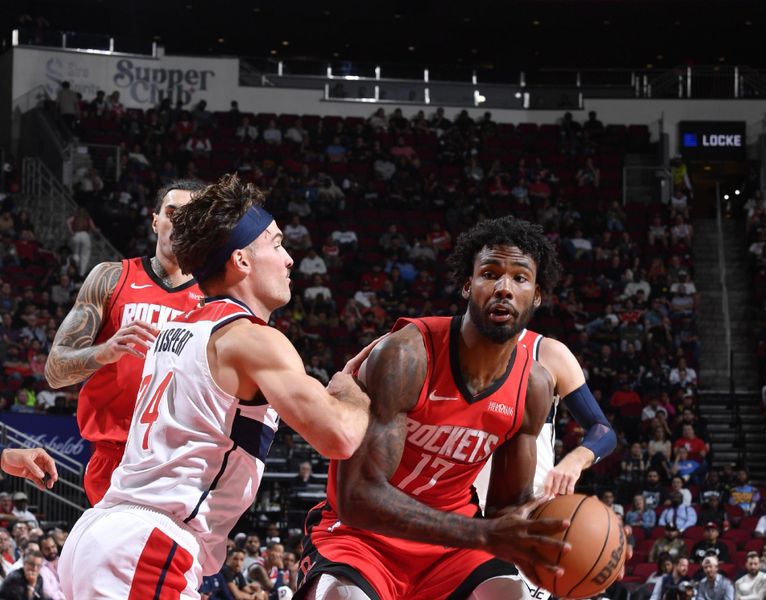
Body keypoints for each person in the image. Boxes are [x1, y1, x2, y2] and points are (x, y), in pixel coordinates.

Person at [58, 174, 372, 599]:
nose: (289, 259)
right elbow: (341, 435)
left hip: (107, 534)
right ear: (242, 260)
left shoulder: (180, 327)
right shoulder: (250, 339)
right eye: (277, 244)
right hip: (147, 544)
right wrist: (352, 388)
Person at [296, 217, 598, 599]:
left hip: (453, 545)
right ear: (467, 285)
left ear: (537, 295)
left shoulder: (533, 386)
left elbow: (505, 509)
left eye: (520, 278)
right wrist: (483, 533)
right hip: (364, 537)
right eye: (490, 273)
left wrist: (561, 538)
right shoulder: (407, 356)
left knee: (509, 594)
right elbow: (357, 500)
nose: (504, 288)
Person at [45, 179, 206, 505]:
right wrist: (103, 352)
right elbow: (55, 371)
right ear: (155, 221)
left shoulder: (215, 298)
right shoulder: (111, 277)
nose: (179, 223)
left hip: (180, 458)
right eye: (172, 213)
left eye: (191, 215)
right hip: (114, 454)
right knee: (113, 555)